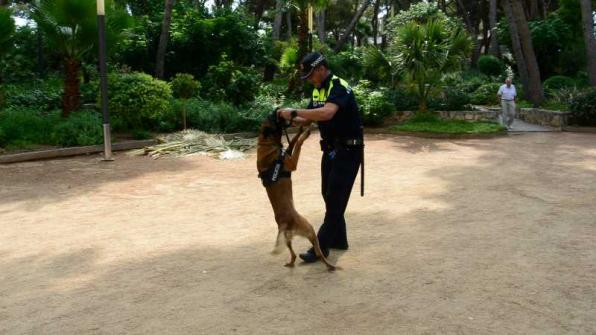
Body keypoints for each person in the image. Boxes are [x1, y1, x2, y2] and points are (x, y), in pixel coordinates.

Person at [278, 52, 364, 263]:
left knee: (335, 198)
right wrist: (285, 117)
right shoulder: (318, 91)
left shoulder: (338, 86)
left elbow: (327, 113)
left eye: (310, 75)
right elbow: (306, 118)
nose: (308, 79)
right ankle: (339, 240)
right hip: (331, 151)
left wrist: (294, 111)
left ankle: (320, 247)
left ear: (321, 69)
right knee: (328, 195)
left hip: (348, 151)